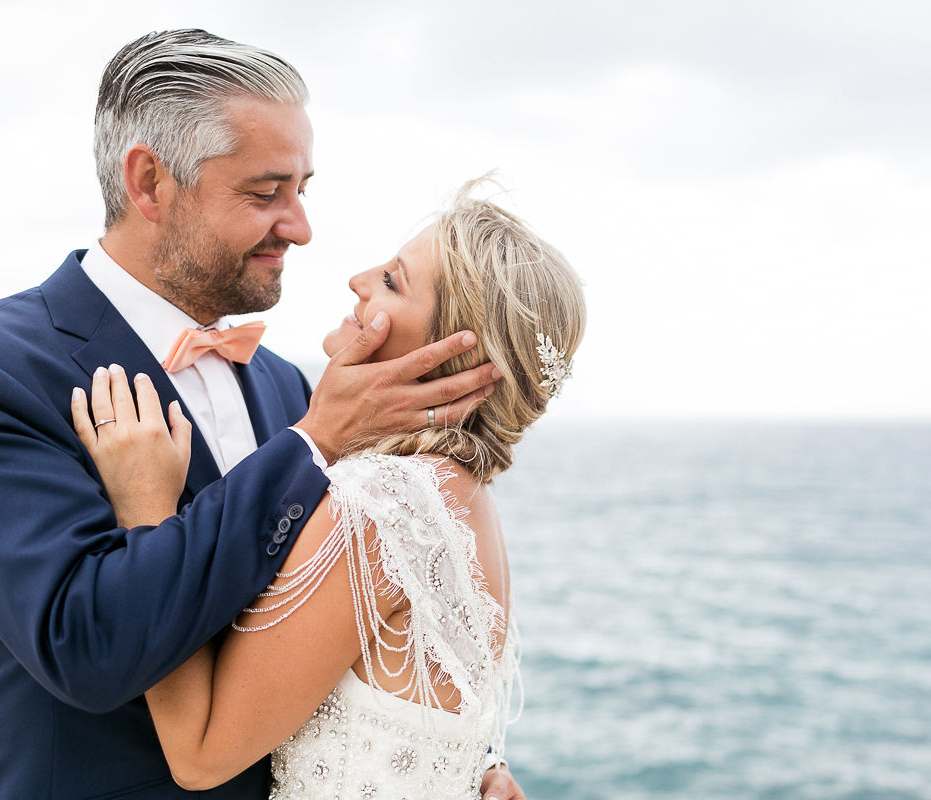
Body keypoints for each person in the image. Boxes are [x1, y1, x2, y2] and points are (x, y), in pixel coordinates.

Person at [0, 29, 523, 800]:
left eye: (302, 189)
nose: (300, 226)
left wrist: (451, 759)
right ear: (150, 183)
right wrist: (313, 443)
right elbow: (83, 648)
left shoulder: (287, 387)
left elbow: (333, 636)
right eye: (266, 193)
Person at [72, 180, 584, 799]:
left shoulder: (390, 503)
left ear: (441, 355)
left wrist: (147, 509)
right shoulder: (462, 496)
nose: (359, 279)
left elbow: (201, 756)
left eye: (393, 283)